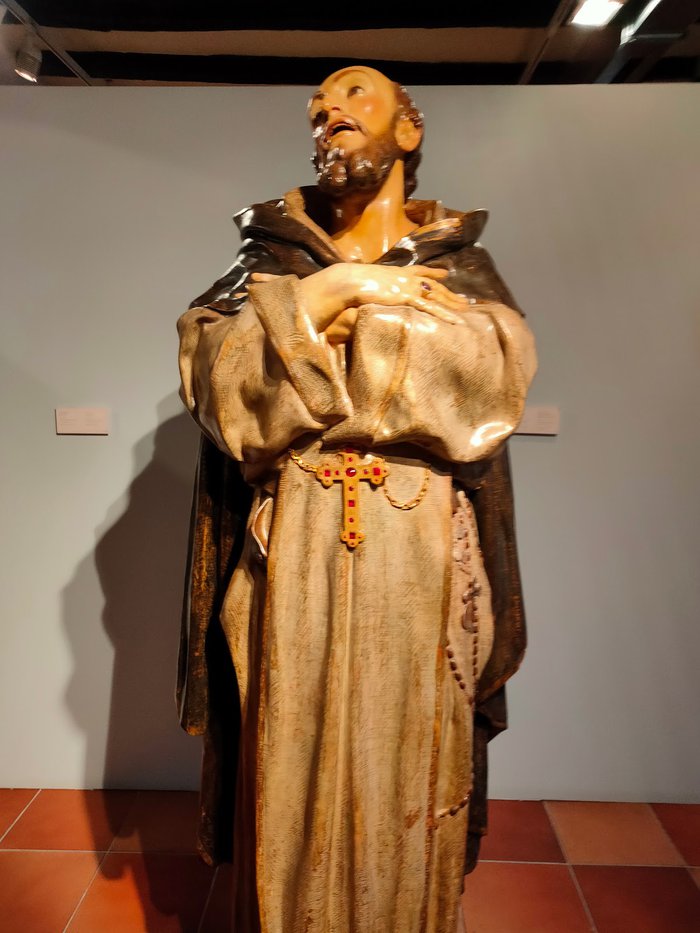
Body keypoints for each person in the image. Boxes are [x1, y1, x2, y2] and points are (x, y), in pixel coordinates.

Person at [176, 65, 536, 933]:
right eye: (317, 107)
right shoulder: (268, 259)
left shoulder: (458, 265)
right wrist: (335, 290)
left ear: (409, 129)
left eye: (353, 95)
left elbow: (491, 380)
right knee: (289, 748)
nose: (328, 113)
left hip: (422, 542)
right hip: (293, 537)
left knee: (411, 753)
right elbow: (216, 380)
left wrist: (314, 328)